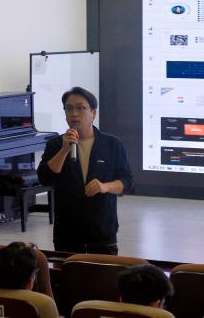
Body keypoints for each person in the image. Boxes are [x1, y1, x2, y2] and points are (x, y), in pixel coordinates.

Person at [37, 87, 134, 255]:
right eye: (69, 108)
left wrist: (105, 187)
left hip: (102, 230)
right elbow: (45, 178)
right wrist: (64, 151)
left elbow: (127, 182)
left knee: (103, 271)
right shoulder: (55, 145)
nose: (74, 114)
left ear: (93, 112)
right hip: (67, 232)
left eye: (80, 108)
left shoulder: (112, 144)